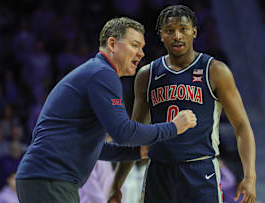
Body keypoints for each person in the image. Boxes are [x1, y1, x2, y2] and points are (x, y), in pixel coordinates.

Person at [15, 17, 197, 203]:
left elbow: (94, 147)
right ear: (112, 43)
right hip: (50, 179)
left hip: (43, 178)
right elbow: (123, 132)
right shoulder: (103, 74)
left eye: (142, 48)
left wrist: (137, 152)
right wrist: (174, 127)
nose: (141, 53)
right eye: (135, 45)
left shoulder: (96, 72)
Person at [108, 5, 256, 203]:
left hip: (200, 172)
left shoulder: (215, 71)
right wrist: (117, 184)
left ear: (194, 32)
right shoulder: (147, 75)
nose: (177, 36)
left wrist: (250, 177)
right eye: (170, 31)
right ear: (161, 35)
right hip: (159, 172)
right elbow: (134, 134)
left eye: (183, 29)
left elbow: (242, 127)